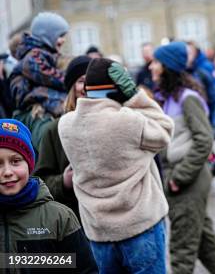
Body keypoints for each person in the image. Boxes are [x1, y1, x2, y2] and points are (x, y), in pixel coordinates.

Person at [59, 58, 173, 273]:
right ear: (118, 89)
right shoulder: (127, 120)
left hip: (98, 232)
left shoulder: (65, 124)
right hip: (140, 226)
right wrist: (135, 96)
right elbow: (165, 130)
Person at [150, 42, 215, 274]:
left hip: (188, 180)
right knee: (207, 246)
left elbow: (204, 139)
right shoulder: (168, 98)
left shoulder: (187, 98)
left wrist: (180, 176)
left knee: (181, 251)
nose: (151, 66)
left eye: (156, 62)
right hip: (181, 179)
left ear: (167, 67)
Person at [0, 118, 98, 272]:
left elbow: (84, 269)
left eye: (16, 161)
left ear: (29, 164)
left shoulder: (59, 218)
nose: (7, 172)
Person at [34, 55, 92, 219]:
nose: (87, 88)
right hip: (74, 221)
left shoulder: (112, 123)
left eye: (92, 81)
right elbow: (41, 182)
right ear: (72, 88)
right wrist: (64, 181)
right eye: (81, 81)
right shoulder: (54, 130)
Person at [10, 12, 69, 151]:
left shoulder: (44, 54)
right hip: (30, 101)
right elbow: (47, 75)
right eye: (60, 36)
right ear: (47, 36)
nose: (63, 40)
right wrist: (69, 78)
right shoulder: (34, 55)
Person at [186, 41, 215, 137]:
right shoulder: (179, 75)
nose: (187, 56)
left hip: (207, 124)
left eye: (190, 52)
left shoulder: (204, 71)